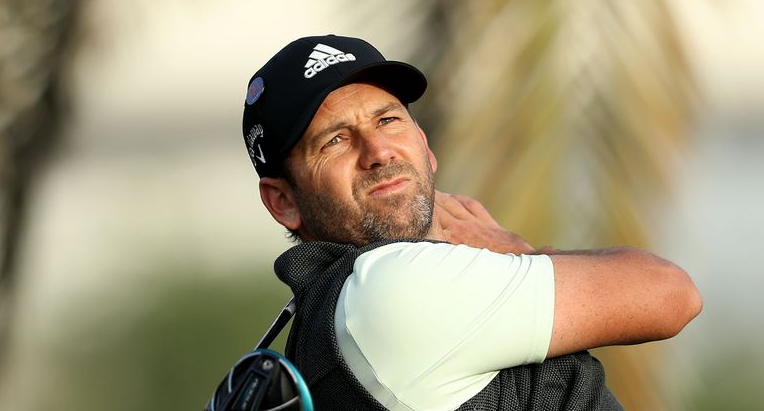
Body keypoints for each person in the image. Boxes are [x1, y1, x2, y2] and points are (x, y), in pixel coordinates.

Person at [241, 34, 702, 410]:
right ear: (282, 202)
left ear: (424, 145)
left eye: (387, 120)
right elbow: (671, 293)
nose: (379, 152)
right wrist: (514, 249)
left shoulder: (321, 317)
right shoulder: (389, 291)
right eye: (335, 140)